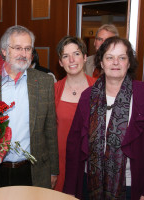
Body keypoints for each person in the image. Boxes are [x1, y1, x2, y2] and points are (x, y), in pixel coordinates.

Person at [63, 36, 144, 200]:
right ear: (102, 63)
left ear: (129, 63)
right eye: (109, 57)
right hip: (89, 184)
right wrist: (69, 189)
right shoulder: (87, 97)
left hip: (130, 187)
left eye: (122, 57)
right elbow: (74, 146)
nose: (115, 62)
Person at [0, 25, 59, 194]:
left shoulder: (44, 82)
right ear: (4, 51)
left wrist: (53, 170)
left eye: (27, 48)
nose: (23, 54)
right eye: (17, 48)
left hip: (32, 171)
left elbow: (50, 131)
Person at [54, 36, 96, 192]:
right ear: (60, 62)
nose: (72, 60)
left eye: (76, 54)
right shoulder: (54, 90)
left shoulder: (99, 88)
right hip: (60, 164)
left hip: (89, 163)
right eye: (65, 56)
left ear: (85, 57)